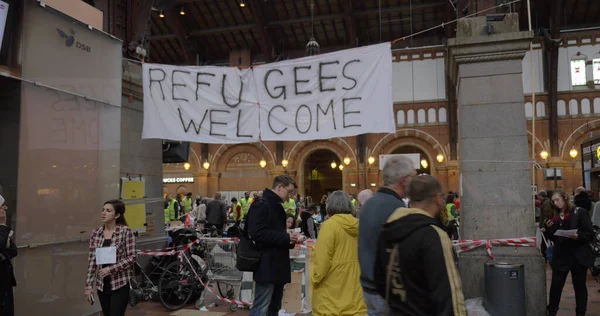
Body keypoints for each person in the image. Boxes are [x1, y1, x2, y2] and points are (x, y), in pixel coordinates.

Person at [375, 175, 466, 316]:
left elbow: (380, 282)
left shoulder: (387, 230)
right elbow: (448, 294)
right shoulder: (433, 235)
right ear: (437, 198)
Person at [359, 155, 416, 315]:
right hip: (386, 291)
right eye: (413, 176)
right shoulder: (396, 207)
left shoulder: (368, 204)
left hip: (368, 288)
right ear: (404, 180)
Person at [246, 175, 303, 316]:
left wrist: (290, 239)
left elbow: (274, 233)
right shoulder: (261, 204)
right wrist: (285, 237)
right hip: (267, 264)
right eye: (289, 192)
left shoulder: (274, 205)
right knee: (262, 308)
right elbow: (256, 233)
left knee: (274, 307)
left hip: (276, 264)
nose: (290, 197)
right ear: (279, 187)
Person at [311, 191, 367, 315]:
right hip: (356, 291)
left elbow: (321, 263)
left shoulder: (329, 226)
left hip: (331, 293)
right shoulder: (361, 226)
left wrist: (313, 279)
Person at [544, 189, 594, 316]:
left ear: (565, 197)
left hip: (578, 255)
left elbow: (589, 234)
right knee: (556, 285)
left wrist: (577, 236)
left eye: (557, 200)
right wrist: (550, 229)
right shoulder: (554, 216)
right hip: (561, 255)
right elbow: (553, 237)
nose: (555, 203)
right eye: (553, 201)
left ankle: (580, 312)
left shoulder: (579, 212)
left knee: (579, 286)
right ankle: (552, 311)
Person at [84, 200, 136, 316]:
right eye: (103, 210)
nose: (104, 213)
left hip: (120, 283)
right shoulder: (96, 233)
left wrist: (110, 269)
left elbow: (132, 257)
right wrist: (88, 286)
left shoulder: (125, 232)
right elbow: (92, 260)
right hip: (102, 285)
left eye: (108, 211)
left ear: (117, 215)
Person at [0, 195, 16, 316]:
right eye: (2, 205)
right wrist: (2, 224)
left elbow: (13, 250)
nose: (6, 208)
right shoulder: (3, 228)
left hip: (4, 277)